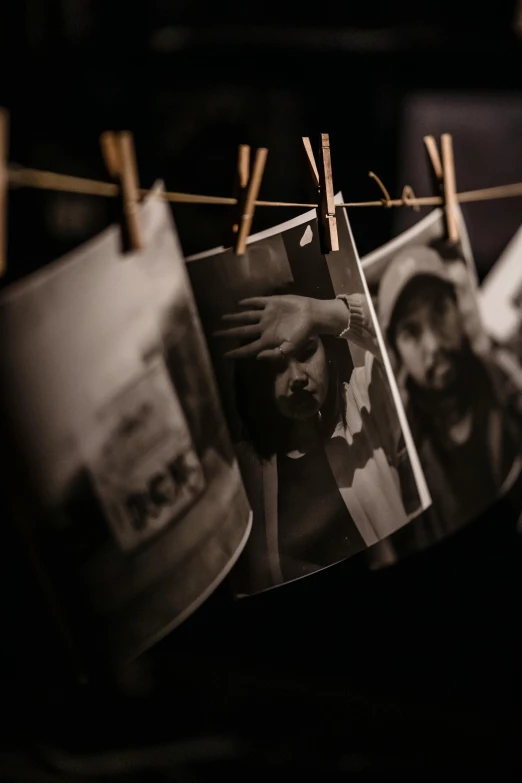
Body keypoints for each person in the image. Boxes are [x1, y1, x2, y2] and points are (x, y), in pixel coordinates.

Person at [216, 290, 420, 592]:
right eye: (276, 367)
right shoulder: (245, 469)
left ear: (327, 350)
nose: (297, 376)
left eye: (306, 351)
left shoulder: (365, 401)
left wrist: (321, 314)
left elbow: (397, 339)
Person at [377, 245, 522, 548]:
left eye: (439, 311)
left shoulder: (511, 384)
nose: (433, 345)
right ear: (397, 354)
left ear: (458, 308)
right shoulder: (401, 464)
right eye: (411, 332)